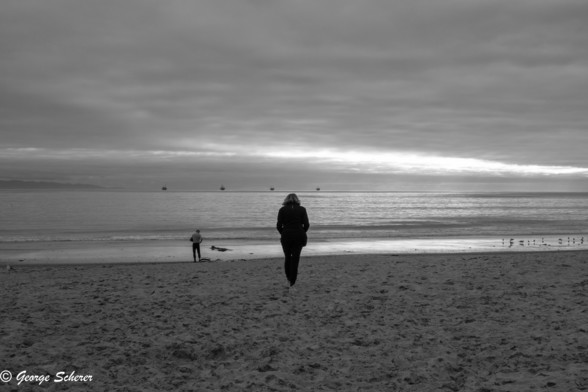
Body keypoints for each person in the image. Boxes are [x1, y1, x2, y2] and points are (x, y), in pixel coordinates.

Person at [276, 193, 310, 288]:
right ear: (297, 200)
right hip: (299, 236)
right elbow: (306, 224)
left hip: (286, 236)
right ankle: (292, 281)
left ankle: (288, 278)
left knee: (287, 257)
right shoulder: (302, 209)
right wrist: (302, 232)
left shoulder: (282, 210)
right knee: (295, 258)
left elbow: (279, 226)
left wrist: (283, 233)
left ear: (286, 200)